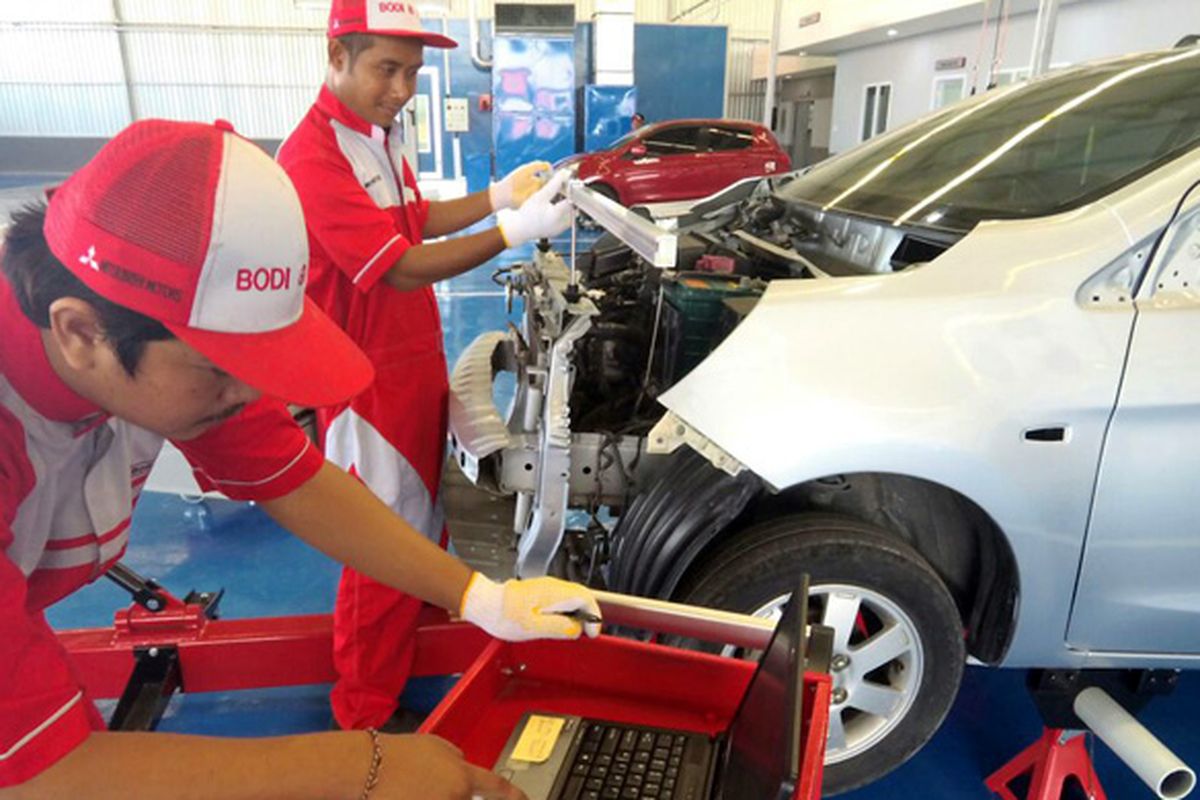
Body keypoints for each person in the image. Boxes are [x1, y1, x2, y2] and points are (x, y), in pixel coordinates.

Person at [0, 118, 600, 799]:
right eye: (222, 366)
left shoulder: (147, 346)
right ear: (80, 332)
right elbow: (39, 777)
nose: (251, 391)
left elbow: (296, 480)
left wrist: (480, 597)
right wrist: (365, 768)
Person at [277, 0, 575, 732]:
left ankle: (402, 663)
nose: (404, 87)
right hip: (362, 380)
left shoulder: (378, 135)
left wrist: (496, 196)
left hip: (412, 360)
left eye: (412, 71)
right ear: (338, 57)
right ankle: (364, 714)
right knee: (383, 547)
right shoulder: (313, 158)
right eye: (387, 69)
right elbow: (402, 267)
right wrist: (512, 230)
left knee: (423, 525)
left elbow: (414, 220)